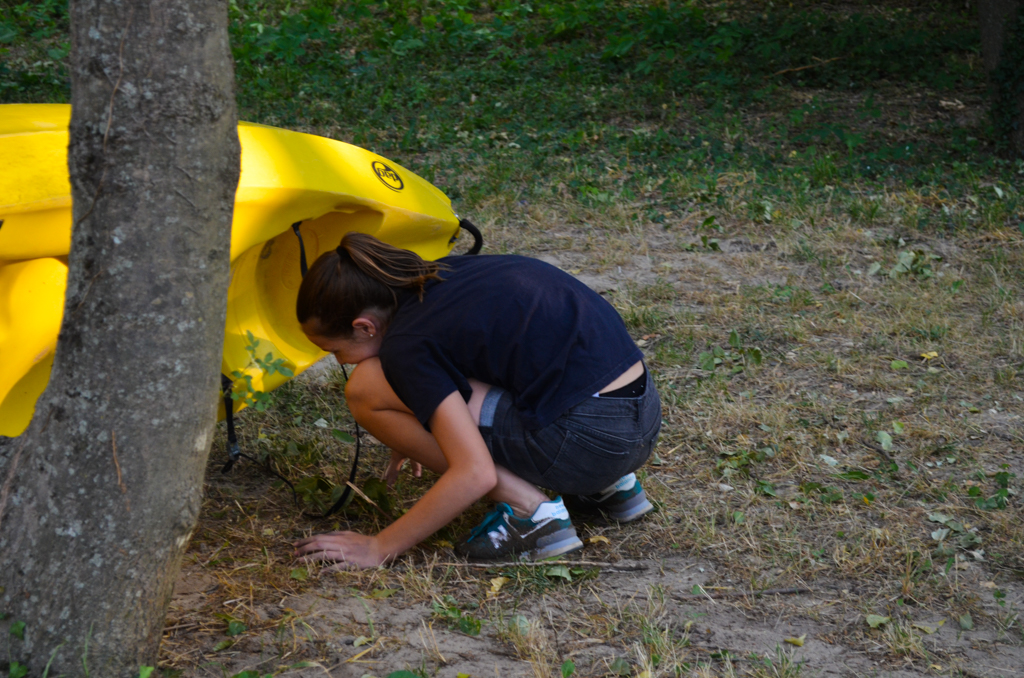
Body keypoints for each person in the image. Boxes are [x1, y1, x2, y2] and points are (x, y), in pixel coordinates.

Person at [292, 232, 661, 569]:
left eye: (335, 350)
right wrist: (416, 416)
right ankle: (612, 488)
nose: (341, 362)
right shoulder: (449, 275)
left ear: (364, 326)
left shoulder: (406, 344)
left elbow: (474, 473)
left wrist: (379, 547)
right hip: (640, 419)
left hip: (587, 444)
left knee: (364, 388)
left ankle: (531, 513)